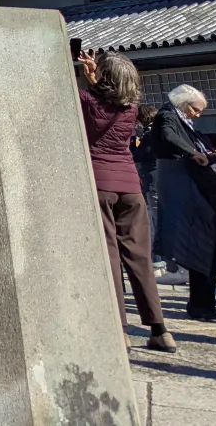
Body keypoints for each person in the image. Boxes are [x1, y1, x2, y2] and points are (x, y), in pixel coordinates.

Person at [77, 51, 174, 352]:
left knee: (110, 259)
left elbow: (88, 102)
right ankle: (160, 329)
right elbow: (108, 99)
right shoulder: (131, 107)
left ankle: (120, 330)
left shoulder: (86, 101)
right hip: (131, 186)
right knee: (140, 258)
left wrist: (84, 74)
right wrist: (96, 76)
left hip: (99, 182)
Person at [153, 85, 216, 321]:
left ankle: (203, 304)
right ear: (183, 103)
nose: (198, 115)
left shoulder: (179, 119)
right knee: (203, 243)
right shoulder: (167, 115)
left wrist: (207, 151)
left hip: (189, 185)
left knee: (207, 247)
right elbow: (170, 136)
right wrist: (193, 153)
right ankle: (202, 306)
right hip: (183, 185)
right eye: (195, 109)